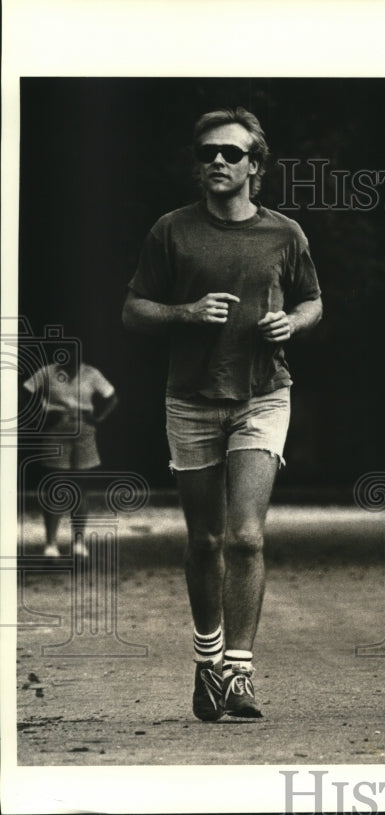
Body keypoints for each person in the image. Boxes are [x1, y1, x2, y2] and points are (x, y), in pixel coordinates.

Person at [122, 107, 322, 721]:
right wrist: (185, 313)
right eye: (207, 152)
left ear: (254, 166)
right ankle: (206, 661)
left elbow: (313, 301)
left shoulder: (284, 234)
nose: (216, 161)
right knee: (205, 539)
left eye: (231, 154)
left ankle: (239, 671)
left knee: (246, 535)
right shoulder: (171, 232)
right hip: (190, 399)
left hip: (264, 395)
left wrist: (292, 321)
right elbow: (133, 310)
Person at [22, 354, 118, 558]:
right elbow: (25, 392)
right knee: (55, 486)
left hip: (84, 432)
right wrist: (42, 416)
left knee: (80, 488)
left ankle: (79, 542)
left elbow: (111, 397)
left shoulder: (91, 373)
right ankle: (51, 543)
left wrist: (98, 418)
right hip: (56, 432)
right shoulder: (48, 372)